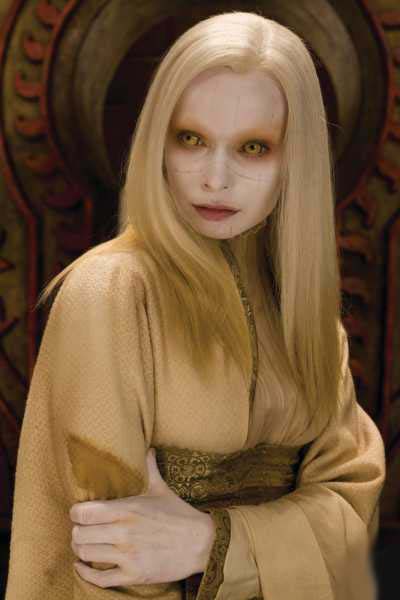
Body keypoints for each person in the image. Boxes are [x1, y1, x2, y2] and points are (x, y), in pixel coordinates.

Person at [5, 10, 386, 600]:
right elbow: (109, 564)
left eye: (253, 148)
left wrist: (213, 543)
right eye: (191, 139)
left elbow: (353, 516)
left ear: (296, 161)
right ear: (158, 141)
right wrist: (274, 538)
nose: (215, 178)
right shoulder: (109, 293)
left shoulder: (302, 311)